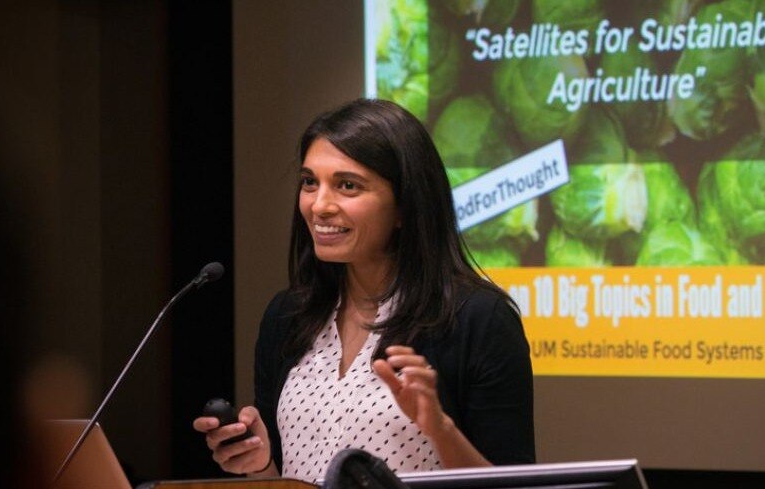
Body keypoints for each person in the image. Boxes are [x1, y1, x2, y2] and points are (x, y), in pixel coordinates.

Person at [193, 98, 534, 482]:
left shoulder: (479, 320)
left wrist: (440, 428)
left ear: (405, 205)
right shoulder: (287, 316)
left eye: (347, 186)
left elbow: (514, 485)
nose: (319, 205)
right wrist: (258, 465)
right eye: (310, 182)